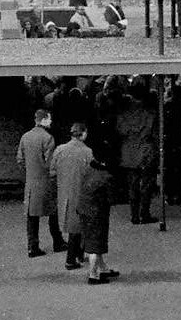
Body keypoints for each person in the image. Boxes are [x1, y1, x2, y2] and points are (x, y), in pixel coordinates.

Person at [17, 108, 65, 257]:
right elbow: (50, 163)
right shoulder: (48, 138)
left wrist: (30, 171)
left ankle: (33, 246)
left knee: (32, 215)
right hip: (46, 182)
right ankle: (58, 242)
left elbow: (20, 160)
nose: (51, 121)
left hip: (31, 182)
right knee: (53, 212)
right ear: (43, 120)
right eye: (49, 119)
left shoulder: (25, 137)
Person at [51, 122, 93, 271]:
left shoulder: (60, 150)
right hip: (81, 192)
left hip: (64, 192)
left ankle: (78, 255)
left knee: (72, 224)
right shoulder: (88, 152)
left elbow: (52, 171)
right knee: (78, 227)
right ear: (83, 134)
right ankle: (71, 258)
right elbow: (91, 174)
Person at [116, 93, 158, 226]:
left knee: (132, 186)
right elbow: (153, 133)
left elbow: (120, 131)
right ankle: (144, 213)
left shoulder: (123, 116)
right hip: (146, 153)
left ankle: (134, 215)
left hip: (129, 154)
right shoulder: (149, 116)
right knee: (147, 185)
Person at [76, 152, 117, 284]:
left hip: (84, 209)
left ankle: (103, 268)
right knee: (95, 243)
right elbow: (111, 198)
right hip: (97, 213)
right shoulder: (106, 177)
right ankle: (93, 275)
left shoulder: (88, 170)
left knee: (93, 240)